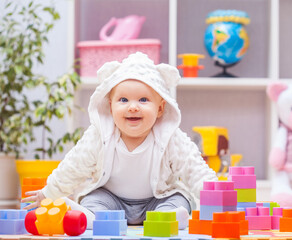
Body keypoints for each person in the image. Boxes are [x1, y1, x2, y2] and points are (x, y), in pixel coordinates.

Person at [22, 52, 217, 229]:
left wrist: (217, 197)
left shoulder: (170, 137)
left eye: (143, 100)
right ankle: (88, 216)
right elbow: (74, 165)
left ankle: (169, 217)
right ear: (110, 106)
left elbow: (195, 169)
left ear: (160, 108)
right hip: (111, 200)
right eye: (123, 100)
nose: (133, 107)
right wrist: (49, 193)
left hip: (157, 200)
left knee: (180, 199)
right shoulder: (100, 135)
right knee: (93, 199)